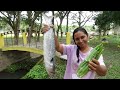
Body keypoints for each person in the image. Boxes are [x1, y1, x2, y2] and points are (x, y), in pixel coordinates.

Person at [42, 25, 107, 79]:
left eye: (82, 37)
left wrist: (98, 68)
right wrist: (52, 33)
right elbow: (58, 47)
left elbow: (103, 72)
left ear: (87, 36)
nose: (80, 41)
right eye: (77, 39)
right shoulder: (71, 49)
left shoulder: (95, 53)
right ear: (74, 41)